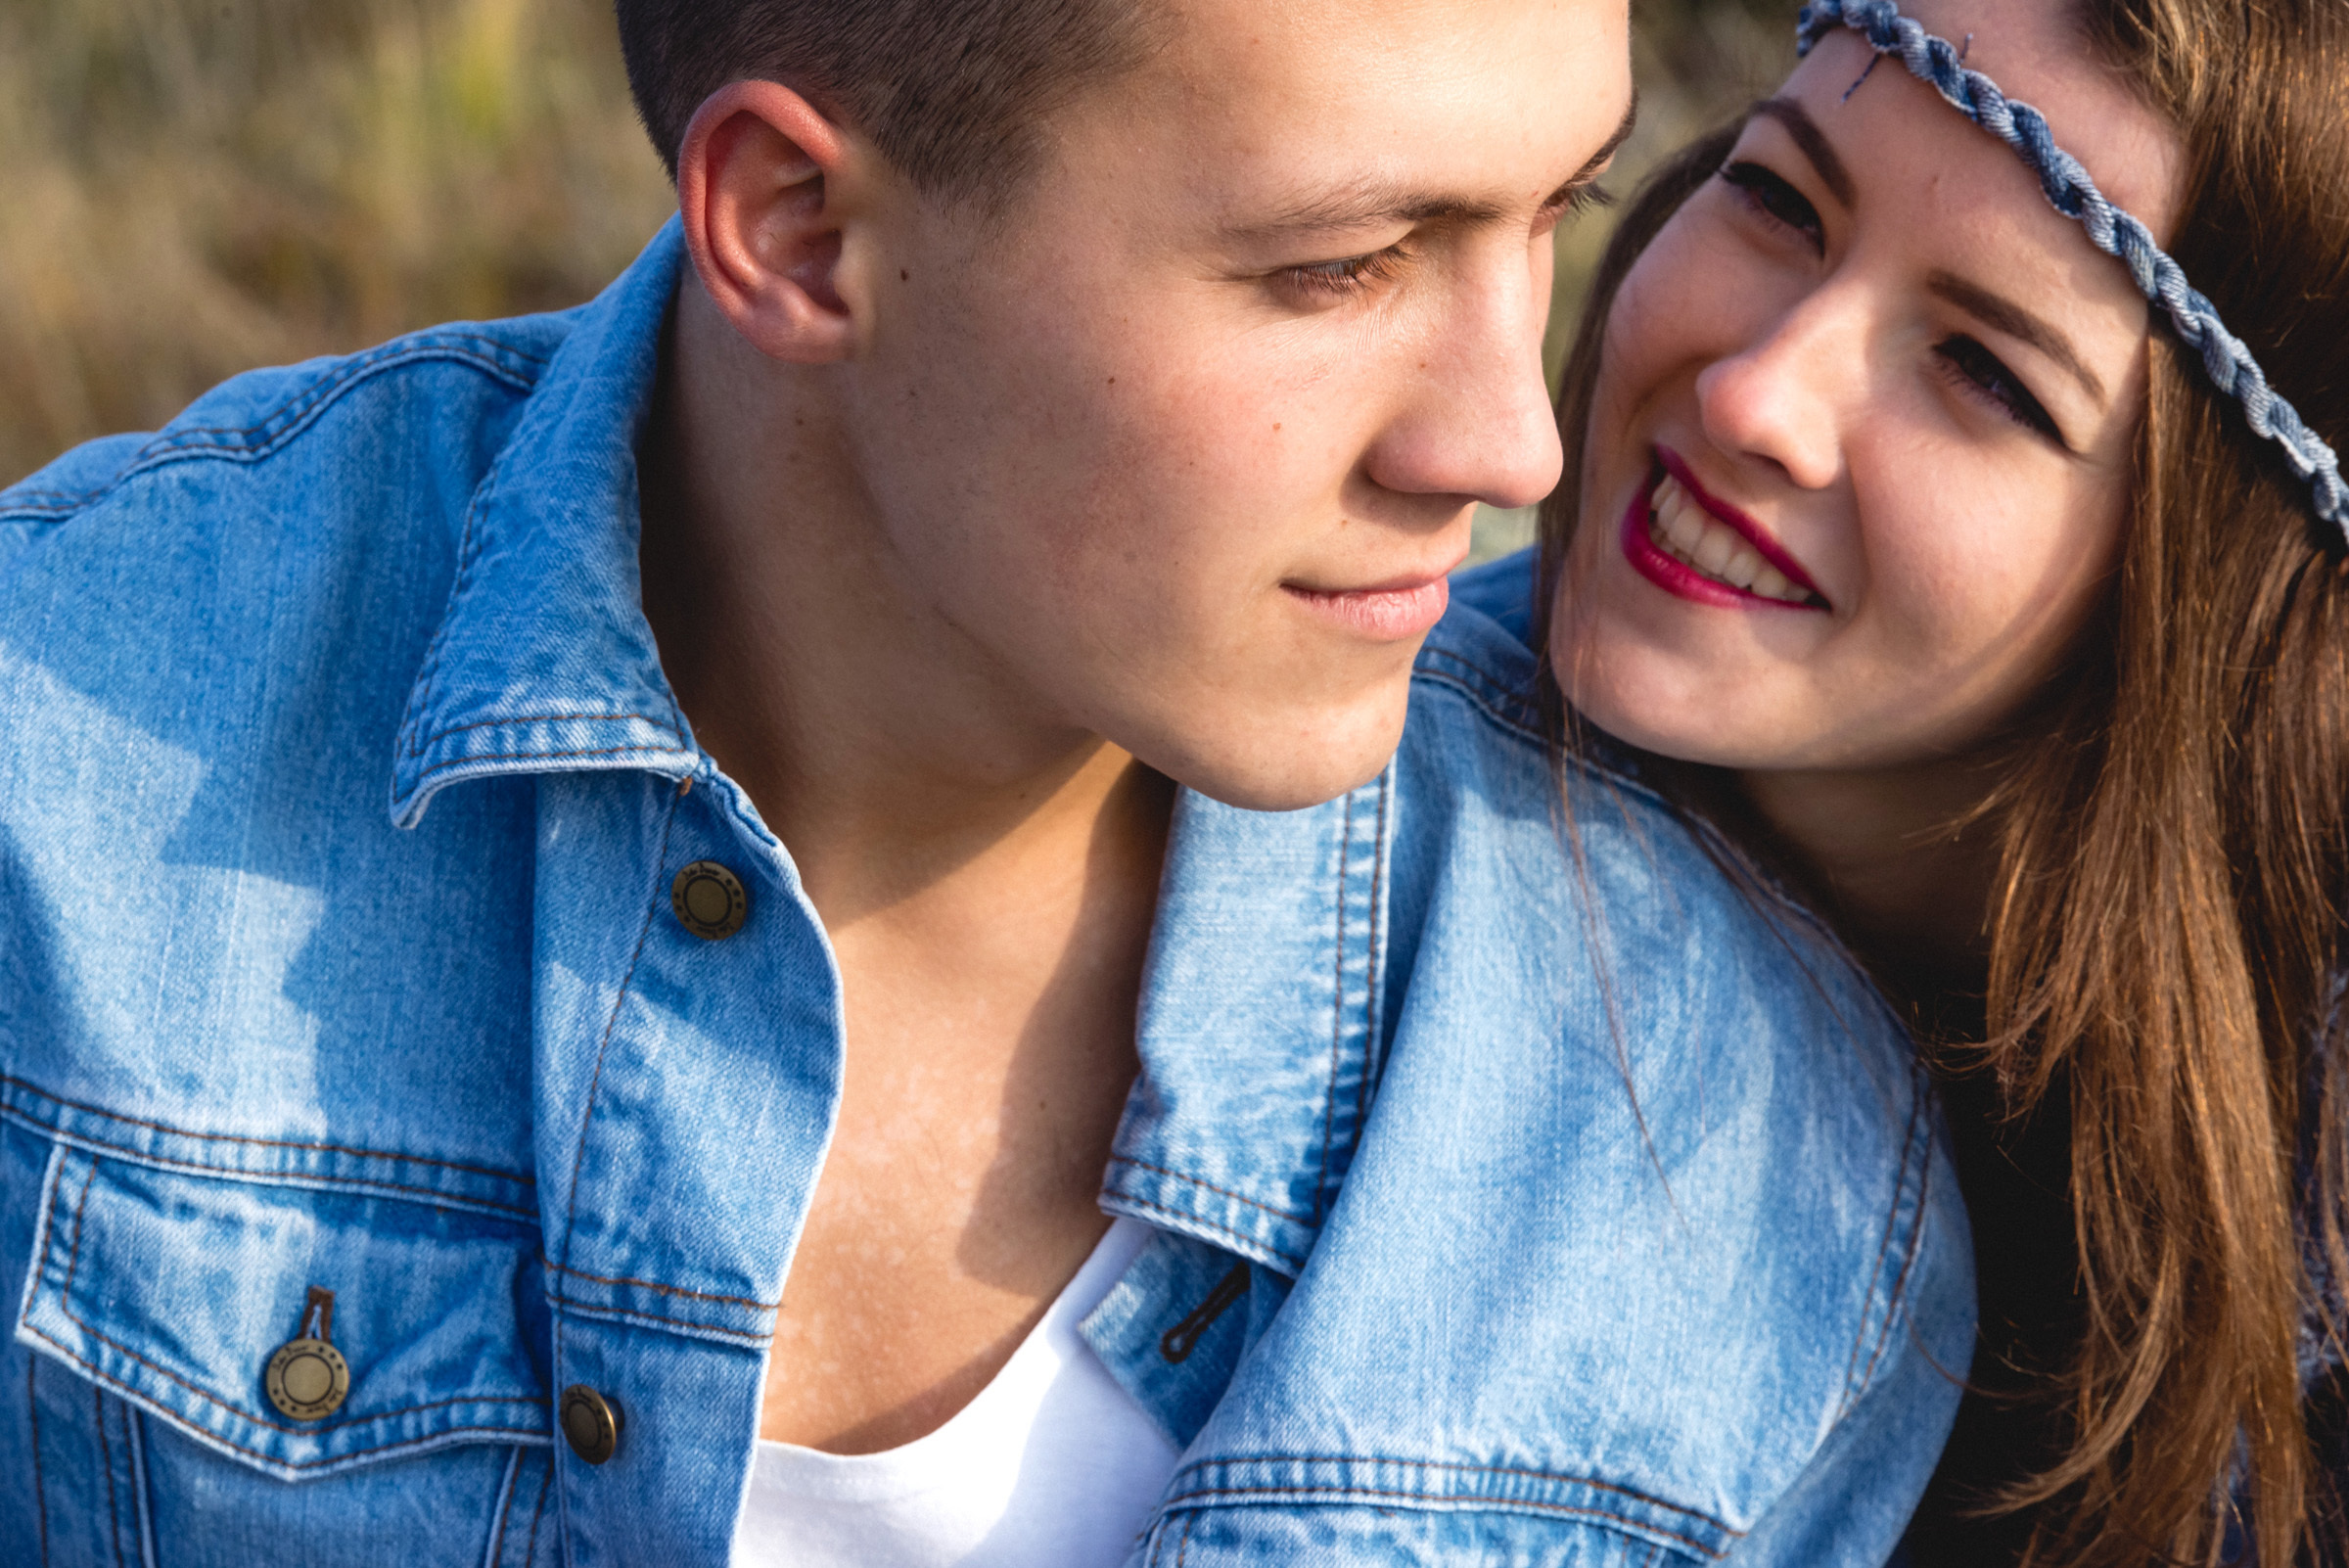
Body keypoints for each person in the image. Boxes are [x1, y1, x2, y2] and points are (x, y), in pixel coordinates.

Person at [0, 0, 1973, 1561]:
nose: (1507, 443)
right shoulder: (54, 812)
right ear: (798, 232)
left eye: (1558, 214)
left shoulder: (1727, 1171)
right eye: (1348, 264)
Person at [1492, 0, 2349, 1557]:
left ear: (2211, 597)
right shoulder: (1333, 811)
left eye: (1983, 371)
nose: (1761, 393)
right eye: (1776, 198)